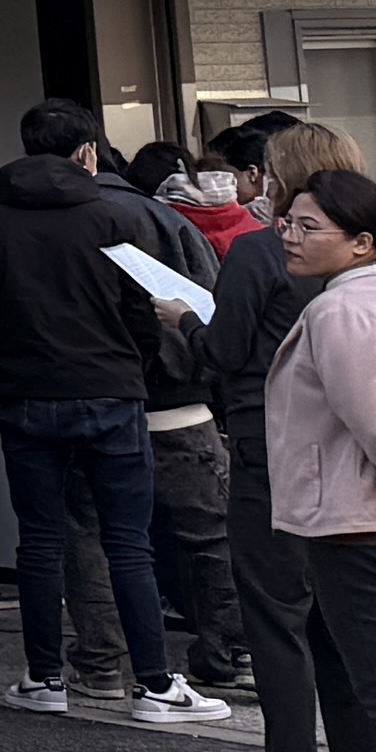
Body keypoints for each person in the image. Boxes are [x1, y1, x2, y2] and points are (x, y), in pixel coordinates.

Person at [0, 101, 225, 729]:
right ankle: (155, 685)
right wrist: (127, 362)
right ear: (87, 153)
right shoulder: (111, 216)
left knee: (42, 541)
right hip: (110, 392)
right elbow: (140, 311)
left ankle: (46, 677)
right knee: (128, 541)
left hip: (25, 397)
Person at [219, 126, 376, 752]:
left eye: (306, 226)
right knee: (374, 668)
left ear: (360, 239)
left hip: (345, 508)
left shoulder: (338, 309)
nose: (287, 235)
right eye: (288, 222)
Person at [128, 138, 250, 691]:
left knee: (108, 540)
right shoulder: (190, 232)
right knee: (212, 536)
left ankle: (105, 661)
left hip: (111, 407)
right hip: (186, 405)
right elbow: (222, 333)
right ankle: (231, 646)